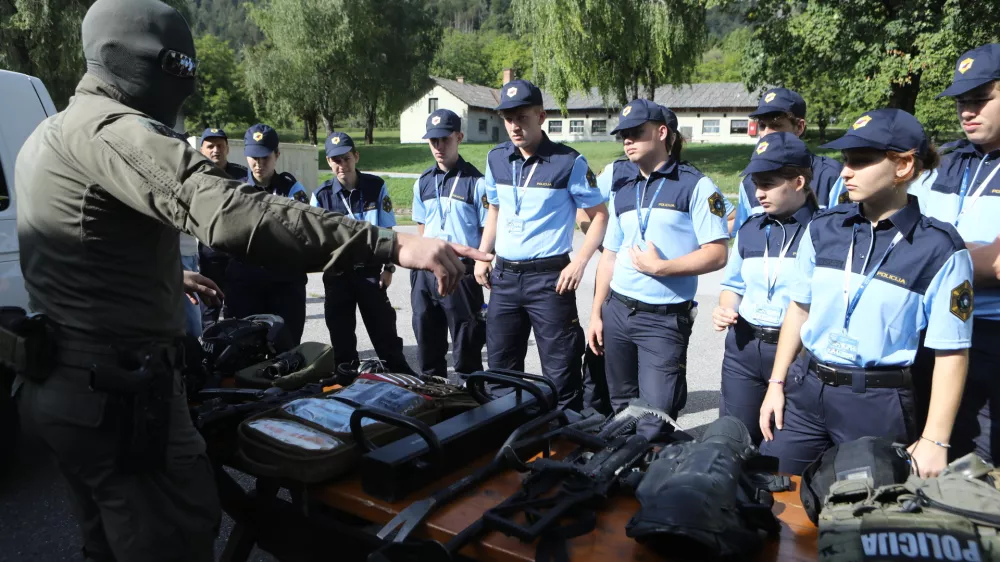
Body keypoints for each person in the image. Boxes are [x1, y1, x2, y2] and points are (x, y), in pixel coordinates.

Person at [12, 1, 489, 560]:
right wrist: (392, 242)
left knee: (106, 543)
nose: (186, 85)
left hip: (63, 386)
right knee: (169, 538)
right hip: (120, 396)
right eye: (181, 70)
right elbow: (233, 214)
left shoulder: (50, 132)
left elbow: (84, 241)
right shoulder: (115, 132)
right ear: (152, 63)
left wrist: (165, 271)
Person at [759, 109, 973, 478]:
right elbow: (799, 309)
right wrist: (776, 384)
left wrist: (935, 440)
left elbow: (951, 351)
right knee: (772, 496)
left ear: (904, 166)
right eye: (845, 160)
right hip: (805, 392)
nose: (845, 171)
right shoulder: (823, 228)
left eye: (860, 161)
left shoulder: (939, 249)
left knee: (862, 520)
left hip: (876, 405)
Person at [587, 99, 729, 439]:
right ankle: (621, 477)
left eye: (636, 133)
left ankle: (652, 479)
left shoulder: (696, 186)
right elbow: (609, 254)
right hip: (617, 312)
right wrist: (596, 313)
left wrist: (662, 268)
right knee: (621, 406)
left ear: (662, 132)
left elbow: (718, 253)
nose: (628, 141)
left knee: (655, 416)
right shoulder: (625, 187)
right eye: (623, 135)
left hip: (662, 320)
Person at [475, 78, 609, 409]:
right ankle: (508, 437)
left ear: (541, 116)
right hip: (504, 279)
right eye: (508, 118)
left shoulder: (569, 162)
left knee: (561, 371)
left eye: (522, 117)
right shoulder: (496, 159)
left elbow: (601, 217)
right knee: (501, 371)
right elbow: (494, 209)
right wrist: (482, 255)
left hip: (550, 281)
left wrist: (578, 263)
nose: (514, 126)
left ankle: (567, 444)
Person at [909, 43, 1000, 464]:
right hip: (925, 330)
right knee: (917, 452)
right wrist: (971, 254)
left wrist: (937, 257)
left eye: (981, 99)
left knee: (976, 464)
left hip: (986, 336)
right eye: (963, 101)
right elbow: (900, 237)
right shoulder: (944, 161)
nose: (967, 111)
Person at [714, 132, 818, 445]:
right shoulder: (750, 230)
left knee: (778, 449)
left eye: (769, 183)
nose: (759, 193)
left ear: (798, 182)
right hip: (743, 348)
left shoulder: (825, 231)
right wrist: (725, 308)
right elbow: (733, 284)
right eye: (756, 184)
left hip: (795, 352)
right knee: (733, 441)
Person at [312, 131, 415, 375]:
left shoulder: (375, 186)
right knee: (342, 343)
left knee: (386, 338)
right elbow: (316, 240)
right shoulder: (321, 195)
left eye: (346, 158)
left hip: (371, 275)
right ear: (328, 162)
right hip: (337, 277)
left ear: (356, 156)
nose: (342, 165)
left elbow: (387, 230)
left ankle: (402, 380)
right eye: (335, 160)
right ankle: (346, 386)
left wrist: (389, 268)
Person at [410, 109, 488, 377]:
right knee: (426, 337)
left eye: (445, 139)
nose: (439, 147)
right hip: (426, 271)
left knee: (467, 341)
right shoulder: (422, 182)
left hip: (461, 271)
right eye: (433, 141)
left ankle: (469, 395)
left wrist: (481, 264)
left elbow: (486, 230)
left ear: (459, 137)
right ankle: (432, 395)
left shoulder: (477, 183)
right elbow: (422, 227)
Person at [222, 123, 309, 344]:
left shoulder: (291, 189)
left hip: (284, 282)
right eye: (254, 157)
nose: (259, 163)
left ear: (277, 155)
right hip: (246, 282)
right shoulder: (236, 189)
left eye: (265, 157)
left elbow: (301, 232)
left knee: (286, 346)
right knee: (244, 346)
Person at [732, 88, 844, 233]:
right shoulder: (749, 183)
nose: (766, 134)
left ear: (799, 127)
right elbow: (744, 239)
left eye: (776, 126)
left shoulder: (831, 176)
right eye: (762, 126)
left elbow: (844, 239)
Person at [196, 127, 247, 330]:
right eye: (210, 146)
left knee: (238, 310)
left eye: (220, 145)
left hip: (237, 252)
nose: (215, 150)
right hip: (210, 253)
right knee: (209, 309)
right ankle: (208, 350)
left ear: (227, 149)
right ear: (202, 150)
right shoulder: (196, 175)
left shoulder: (243, 176)